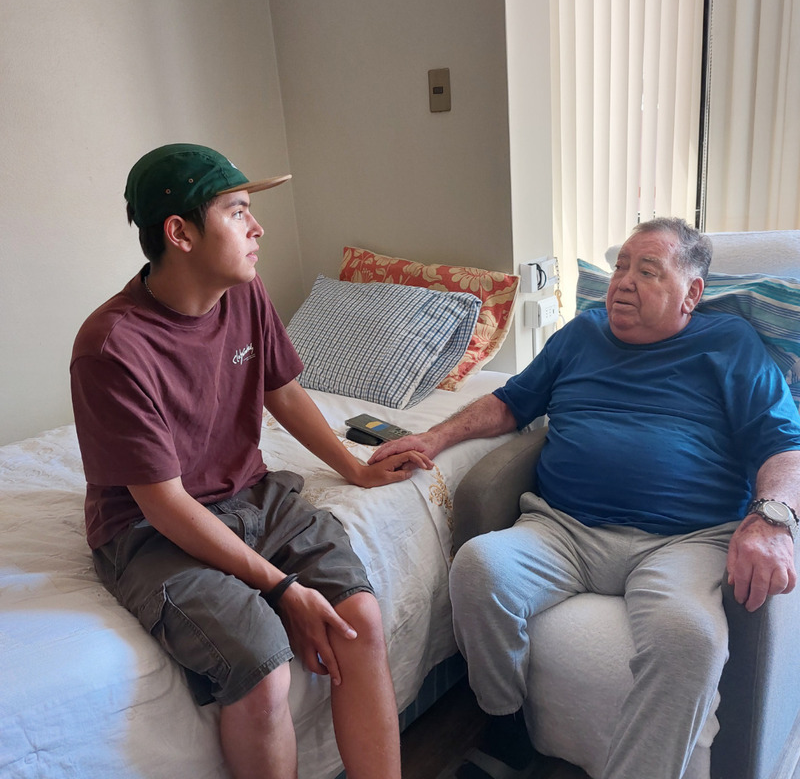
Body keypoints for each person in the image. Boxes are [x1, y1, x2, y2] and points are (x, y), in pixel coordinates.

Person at [370, 217, 800, 779]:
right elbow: (509, 402)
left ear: (691, 294)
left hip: (685, 540)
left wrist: (773, 519)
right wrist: (434, 437)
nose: (623, 281)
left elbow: (782, 443)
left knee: (689, 640)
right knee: (478, 568)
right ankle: (506, 730)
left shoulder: (730, 344)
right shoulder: (580, 335)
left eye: (647, 271)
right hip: (564, 529)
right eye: (621, 267)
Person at [70, 143, 432, 779]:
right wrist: (281, 588)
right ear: (180, 233)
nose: (257, 227)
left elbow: (282, 391)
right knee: (263, 669)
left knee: (360, 621)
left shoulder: (244, 293)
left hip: (251, 493)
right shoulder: (111, 347)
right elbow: (164, 504)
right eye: (237, 212)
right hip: (149, 530)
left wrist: (353, 467)